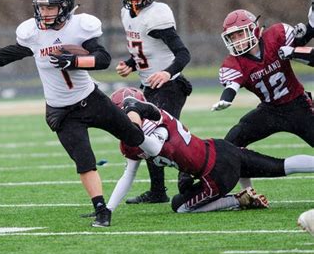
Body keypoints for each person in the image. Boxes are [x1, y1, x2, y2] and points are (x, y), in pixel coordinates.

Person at [0, 0, 166, 227]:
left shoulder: (80, 27)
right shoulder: (33, 33)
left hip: (91, 99)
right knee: (84, 159)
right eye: (42, 8)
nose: (44, 13)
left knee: (134, 136)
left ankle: (179, 160)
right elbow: (8, 54)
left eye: (50, 8)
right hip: (61, 111)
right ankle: (101, 209)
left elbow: (103, 59)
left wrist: (75, 62)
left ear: (65, 7)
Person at [108, 88, 314, 214]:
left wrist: (131, 113)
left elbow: (153, 145)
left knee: (179, 206)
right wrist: (107, 209)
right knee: (281, 166)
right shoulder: (132, 140)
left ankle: (238, 199)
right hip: (219, 149)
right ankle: (245, 193)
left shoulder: (157, 119)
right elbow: (128, 175)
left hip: (216, 172)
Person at [211, 0, 314, 189]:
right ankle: (247, 191)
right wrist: (225, 99)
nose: (237, 40)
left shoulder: (276, 36)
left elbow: (306, 46)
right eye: (232, 37)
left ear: (254, 29)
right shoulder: (235, 63)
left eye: (240, 33)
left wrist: (297, 46)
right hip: (270, 110)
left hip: (298, 105)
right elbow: (232, 85)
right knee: (232, 142)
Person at [115, 0, 193, 204]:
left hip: (171, 86)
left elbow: (183, 54)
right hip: (150, 85)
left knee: (154, 133)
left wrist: (168, 73)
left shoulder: (156, 16)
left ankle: (189, 167)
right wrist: (131, 63)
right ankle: (158, 191)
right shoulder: (126, 14)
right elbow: (145, 50)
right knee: (146, 136)